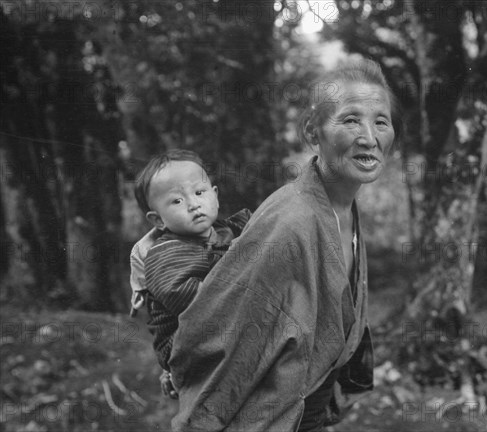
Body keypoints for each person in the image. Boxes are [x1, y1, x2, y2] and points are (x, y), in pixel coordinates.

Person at [165, 58, 399, 431]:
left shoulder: (344, 206)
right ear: (313, 132)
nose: (369, 137)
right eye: (351, 119)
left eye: (381, 121)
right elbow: (219, 332)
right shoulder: (290, 222)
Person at [129, 149, 251, 398]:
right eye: (177, 201)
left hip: (222, 325)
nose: (194, 204)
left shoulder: (228, 229)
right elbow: (193, 303)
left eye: (199, 193)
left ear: (214, 196)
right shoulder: (167, 254)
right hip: (183, 343)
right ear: (158, 220)